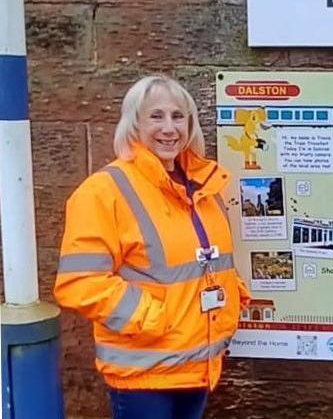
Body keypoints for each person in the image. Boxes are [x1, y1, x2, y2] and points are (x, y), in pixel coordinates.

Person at [54, 75, 251, 419]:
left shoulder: (204, 189)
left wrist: (232, 297)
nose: (169, 128)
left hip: (199, 365)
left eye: (178, 116)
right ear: (134, 124)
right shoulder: (104, 191)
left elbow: (205, 264)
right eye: (156, 116)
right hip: (145, 375)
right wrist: (157, 319)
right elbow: (79, 282)